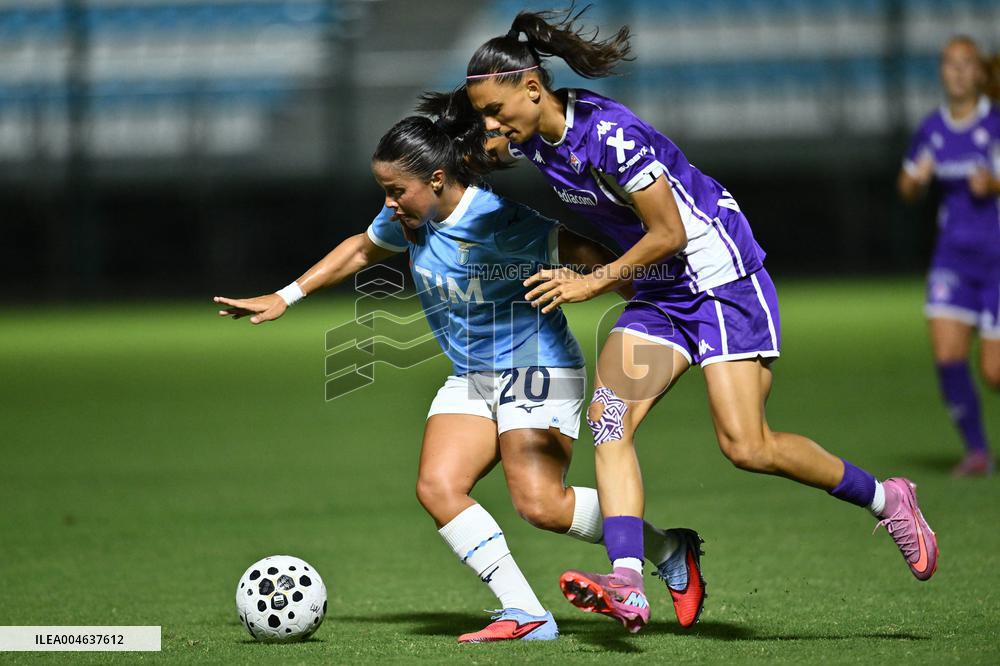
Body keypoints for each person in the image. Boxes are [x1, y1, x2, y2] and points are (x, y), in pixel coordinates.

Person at [462, 7, 939, 633]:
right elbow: (476, 142)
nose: (493, 127)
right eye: (484, 117)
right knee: (610, 421)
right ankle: (629, 579)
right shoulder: (533, 137)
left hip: (720, 281)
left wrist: (595, 280)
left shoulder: (609, 135)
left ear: (532, 87)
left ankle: (888, 498)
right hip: (661, 293)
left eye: (497, 112)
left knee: (748, 446)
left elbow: (670, 231)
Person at [213, 91, 704, 643]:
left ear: (439, 179)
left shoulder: (498, 222)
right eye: (385, 191)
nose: (390, 203)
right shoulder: (410, 216)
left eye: (397, 191)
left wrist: (601, 282)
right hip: (472, 373)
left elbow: (586, 253)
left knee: (540, 504)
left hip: (534, 364)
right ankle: (526, 613)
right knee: (438, 486)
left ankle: (667, 548)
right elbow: (360, 249)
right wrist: (287, 296)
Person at [898, 35, 1000, 477]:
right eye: (950, 63)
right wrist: (918, 181)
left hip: (996, 260)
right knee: (947, 356)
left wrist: (993, 185)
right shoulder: (932, 129)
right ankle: (977, 452)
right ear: (942, 71)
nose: (957, 71)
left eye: (966, 64)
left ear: (979, 72)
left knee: (994, 372)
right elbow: (905, 187)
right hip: (952, 258)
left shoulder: (995, 125)